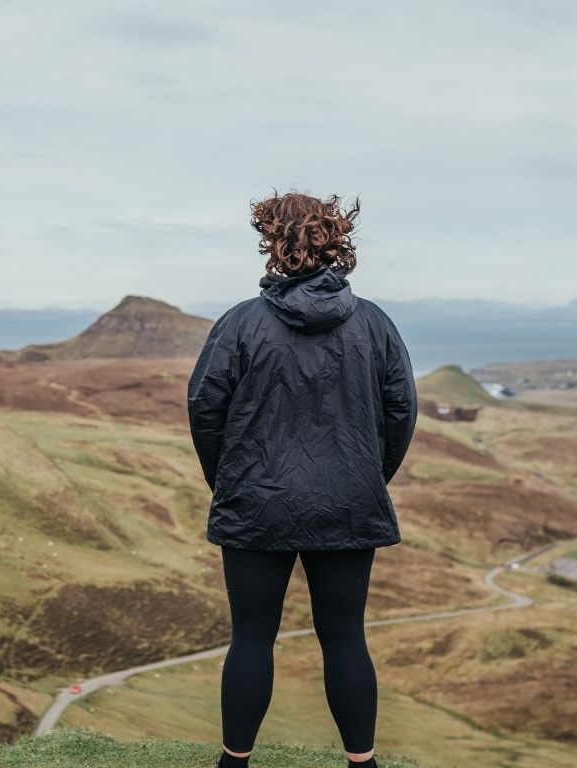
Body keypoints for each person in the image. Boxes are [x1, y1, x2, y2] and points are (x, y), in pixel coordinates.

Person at [187, 189, 418, 768]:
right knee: (345, 638)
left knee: (251, 638)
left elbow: (204, 408)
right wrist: (366, 475)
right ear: (337, 239)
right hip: (347, 503)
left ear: (271, 240)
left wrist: (231, 480)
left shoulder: (240, 324)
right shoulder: (375, 324)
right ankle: (361, 764)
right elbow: (401, 411)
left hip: (255, 501)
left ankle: (233, 764)